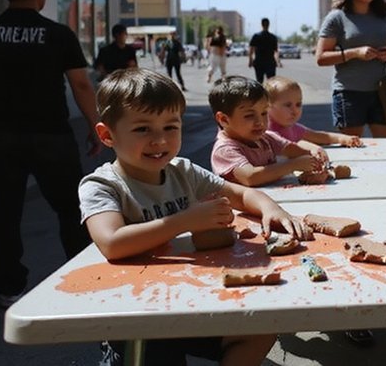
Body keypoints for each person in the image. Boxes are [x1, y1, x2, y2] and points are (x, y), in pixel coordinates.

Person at [80, 68, 309, 366]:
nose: (159, 140)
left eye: (171, 127)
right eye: (142, 129)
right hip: (136, 316)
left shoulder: (182, 171)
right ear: (107, 135)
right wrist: (186, 220)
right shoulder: (102, 186)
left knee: (260, 330)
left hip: (188, 300)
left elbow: (243, 194)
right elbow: (112, 242)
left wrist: (272, 210)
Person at [0, 0, 100, 307]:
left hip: (1, 136)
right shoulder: (58, 34)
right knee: (72, 209)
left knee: (5, 212)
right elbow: (81, 85)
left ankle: (10, 287)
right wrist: (97, 127)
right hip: (52, 135)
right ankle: (85, 277)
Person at [315, 0, 386, 138]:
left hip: (385, 93)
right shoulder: (337, 18)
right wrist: (354, 53)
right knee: (353, 151)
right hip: (348, 94)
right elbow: (321, 58)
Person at [209, 75, 324, 186]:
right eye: (249, 115)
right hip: (243, 205)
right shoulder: (225, 150)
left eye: (264, 113)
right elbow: (250, 177)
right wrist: (292, 165)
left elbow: (295, 151)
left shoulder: (266, 138)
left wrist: (315, 160)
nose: (260, 122)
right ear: (224, 119)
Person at [265, 76, 363, 149]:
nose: (295, 110)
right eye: (288, 105)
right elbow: (289, 148)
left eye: (298, 104)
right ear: (267, 106)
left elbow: (318, 136)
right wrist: (312, 149)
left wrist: (342, 139)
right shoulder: (264, 132)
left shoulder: (293, 128)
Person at [249, 17, 281, 83]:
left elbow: (251, 50)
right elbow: (276, 51)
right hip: (270, 63)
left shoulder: (256, 36)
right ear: (269, 25)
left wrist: (250, 61)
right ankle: (270, 93)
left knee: (259, 82)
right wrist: (278, 61)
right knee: (271, 83)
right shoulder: (273, 37)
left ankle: (261, 93)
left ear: (261, 24)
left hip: (259, 62)